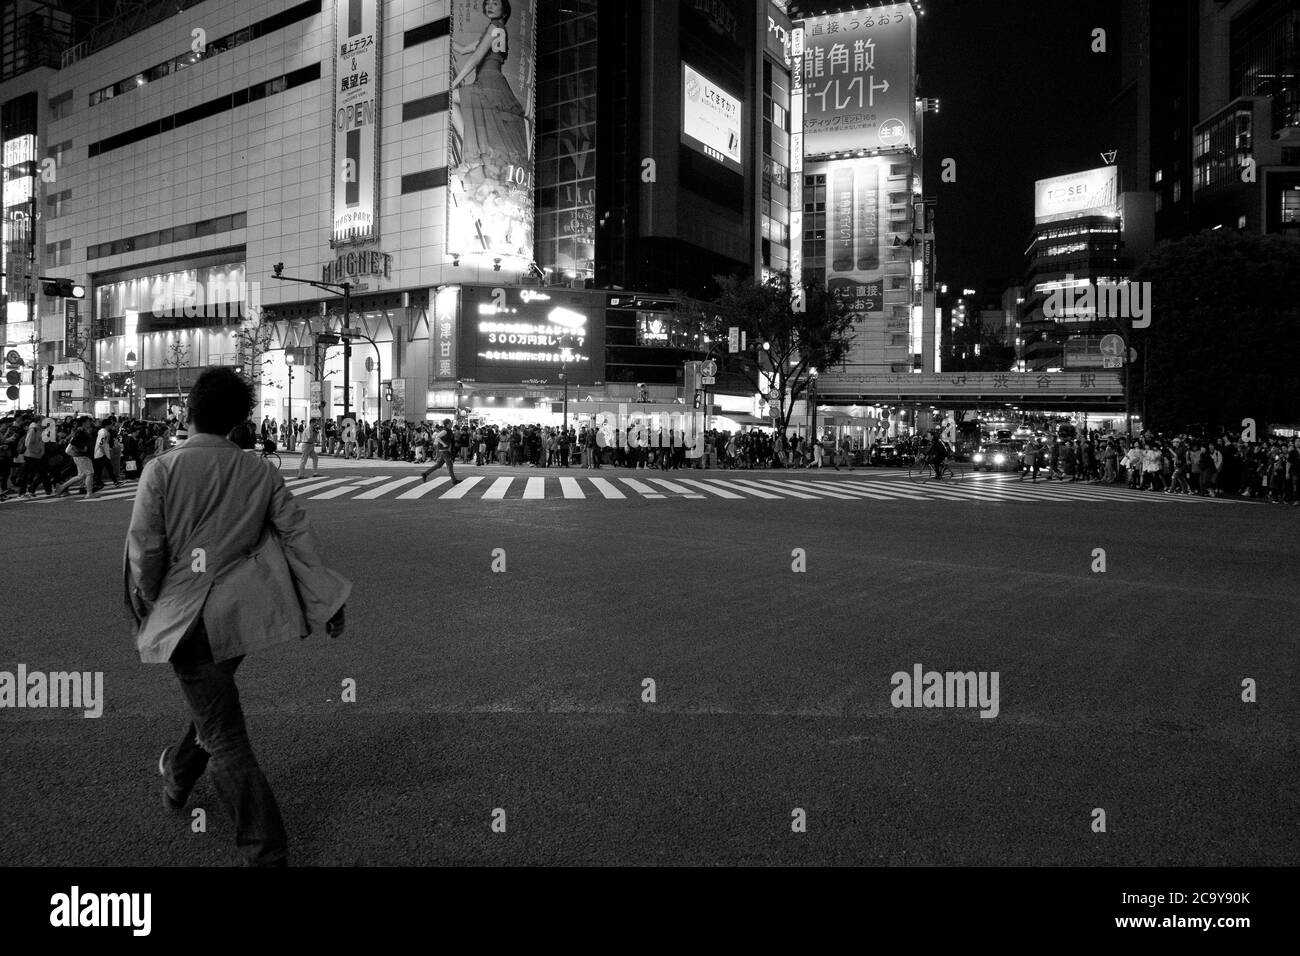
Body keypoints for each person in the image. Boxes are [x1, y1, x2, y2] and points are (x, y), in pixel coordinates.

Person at [125, 368, 350, 867]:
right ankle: (178, 777)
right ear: (241, 419)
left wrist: (147, 600)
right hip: (240, 617)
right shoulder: (261, 472)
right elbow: (298, 537)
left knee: (224, 733)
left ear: (190, 412)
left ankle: (265, 848)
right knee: (214, 705)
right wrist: (329, 599)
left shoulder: (162, 470)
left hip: (187, 616)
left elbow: (146, 551)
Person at [450, 0, 531, 178]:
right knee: (482, 122)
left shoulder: (495, 27)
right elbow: (463, 50)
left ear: (504, 10)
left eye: (495, 3)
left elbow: (476, 58)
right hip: (493, 82)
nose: (490, 6)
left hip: (489, 82)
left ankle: (470, 157)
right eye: (488, 3)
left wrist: (455, 82)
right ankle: (471, 157)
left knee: (451, 103)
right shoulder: (496, 30)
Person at [420, 418, 460, 484]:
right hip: (444, 450)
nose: (451, 424)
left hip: (444, 450)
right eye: (450, 423)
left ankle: (425, 474)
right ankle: (454, 480)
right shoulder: (445, 431)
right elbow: (437, 437)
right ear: (447, 424)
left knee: (439, 465)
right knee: (450, 465)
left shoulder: (448, 430)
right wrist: (443, 444)